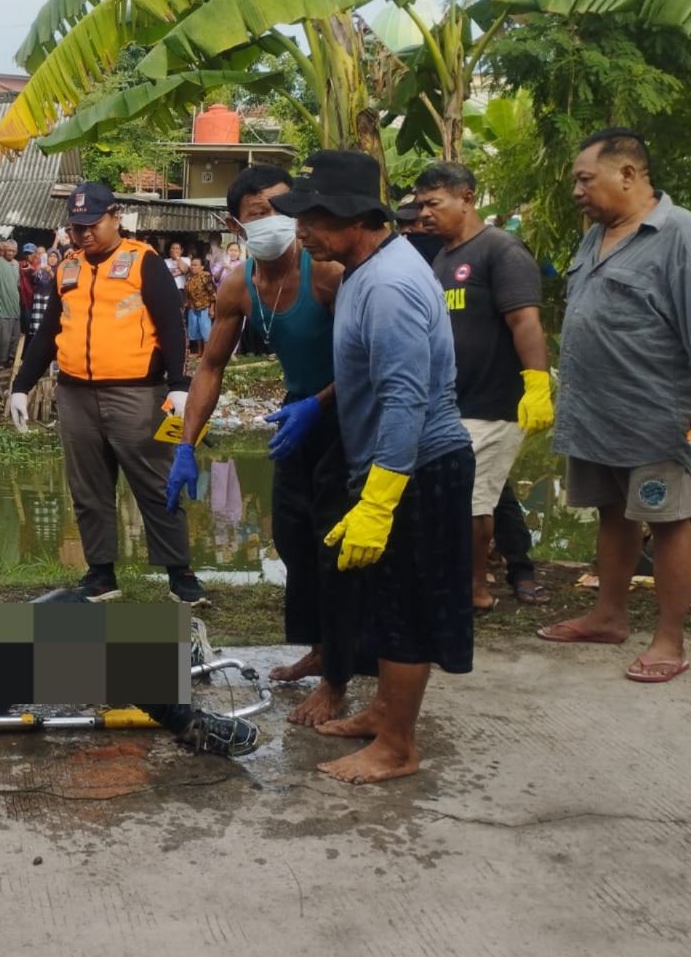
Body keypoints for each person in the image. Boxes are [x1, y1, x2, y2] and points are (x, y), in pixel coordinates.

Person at [271, 150, 474, 783]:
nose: (299, 231)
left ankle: (398, 748)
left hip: (418, 467)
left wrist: (380, 500)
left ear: (355, 216)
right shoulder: (363, 270)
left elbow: (405, 399)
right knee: (387, 604)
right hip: (393, 463)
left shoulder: (387, 285)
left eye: (311, 217)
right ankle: (384, 713)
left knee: (408, 609)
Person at [168, 164, 357, 728]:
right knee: (292, 537)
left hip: (345, 414)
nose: (274, 221)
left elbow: (367, 360)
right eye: (258, 214)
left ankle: (339, 680)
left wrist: (317, 406)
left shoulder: (327, 274)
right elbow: (210, 368)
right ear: (236, 225)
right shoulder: (237, 284)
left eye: (283, 209)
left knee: (334, 547)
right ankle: (320, 649)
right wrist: (186, 444)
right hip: (297, 417)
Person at [539, 129, 691, 683]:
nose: (576, 190)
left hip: (655, 418)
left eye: (585, 179)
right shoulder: (594, 237)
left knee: (670, 522)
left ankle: (670, 640)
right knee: (611, 513)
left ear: (627, 174)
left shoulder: (679, 236)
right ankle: (608, 615)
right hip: (592, 416)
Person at [8, 181, 205, 605]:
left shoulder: (142, 261)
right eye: (77, 228)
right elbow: (46, 334)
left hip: (137, 394)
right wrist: (21, 386)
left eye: (92, 225)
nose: (84, 235)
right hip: (76, 394)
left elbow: (173, 325)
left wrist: (179, 385)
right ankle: (100, 574)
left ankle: (180, 573)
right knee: (88, 488)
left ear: (115, 217)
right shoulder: (67, 268)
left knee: (155, 484)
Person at [413, 161, 553, 615]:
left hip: (494, 403)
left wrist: (536, 385)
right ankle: (461, 579)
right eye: (420, 206)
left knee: (471, 502)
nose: (424, 214)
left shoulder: (502, 250)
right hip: (454, 402)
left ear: (467, 197)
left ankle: (475, 589)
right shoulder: (443, 257)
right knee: (463, 495)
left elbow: (525, 321)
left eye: (433, 203)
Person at [0, 236, 23, 367]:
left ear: (16, 251)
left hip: (15, 307)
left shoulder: (16, 264)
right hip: (2, 308)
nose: (11, 253)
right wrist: (0, 243)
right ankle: (0, 362)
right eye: (8, 250)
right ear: (4, 250)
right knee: (3, 338)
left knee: (14, 337)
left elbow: (18, 284)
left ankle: (11, 360)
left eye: (13, 251)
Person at [183, 257, 216, 354]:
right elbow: (188, 295)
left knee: (205, 330)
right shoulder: (189, 278)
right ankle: (199, 352)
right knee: (195, 330)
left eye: (195, 265)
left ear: (202, 267)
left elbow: (212, 293)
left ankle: (206, 354)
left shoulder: (206, 276)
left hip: (204, 307)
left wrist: (212, 309)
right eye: (192, 265)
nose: (192, 267)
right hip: (193, 308)